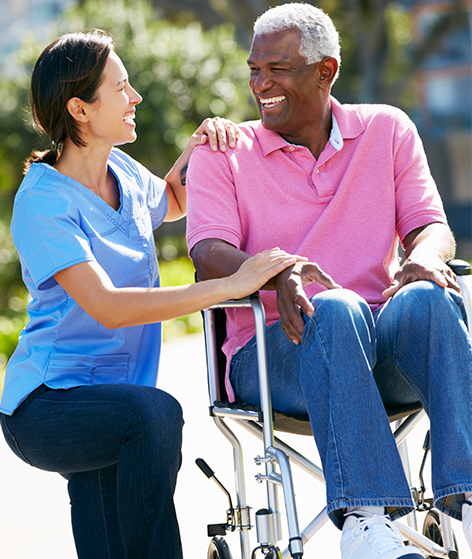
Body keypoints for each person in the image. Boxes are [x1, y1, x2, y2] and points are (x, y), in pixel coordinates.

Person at [0, 30, 304, 559]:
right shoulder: (42, 201)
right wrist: (225, 287)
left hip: (116, 399)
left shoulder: (120, 171)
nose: (135, 96)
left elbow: (170, 199)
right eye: (121, 88)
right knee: (154, 416)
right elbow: (108, 306)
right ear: (80, 109)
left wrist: (200, 144)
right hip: (47, 406)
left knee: (110, 541)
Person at [186, 4, 472, 559]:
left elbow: (431, 227)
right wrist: (278, 271)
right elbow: (207, 253)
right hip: (271, 359)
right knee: (335, 307)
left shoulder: (387, 129)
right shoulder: (224, 151)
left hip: (377, 347)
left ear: (325, 71)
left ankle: (466, 498)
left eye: (278, 69)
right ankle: (367, 522)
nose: (260, 83)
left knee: (430, 300)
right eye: (254, 69)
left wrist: (427, 258)